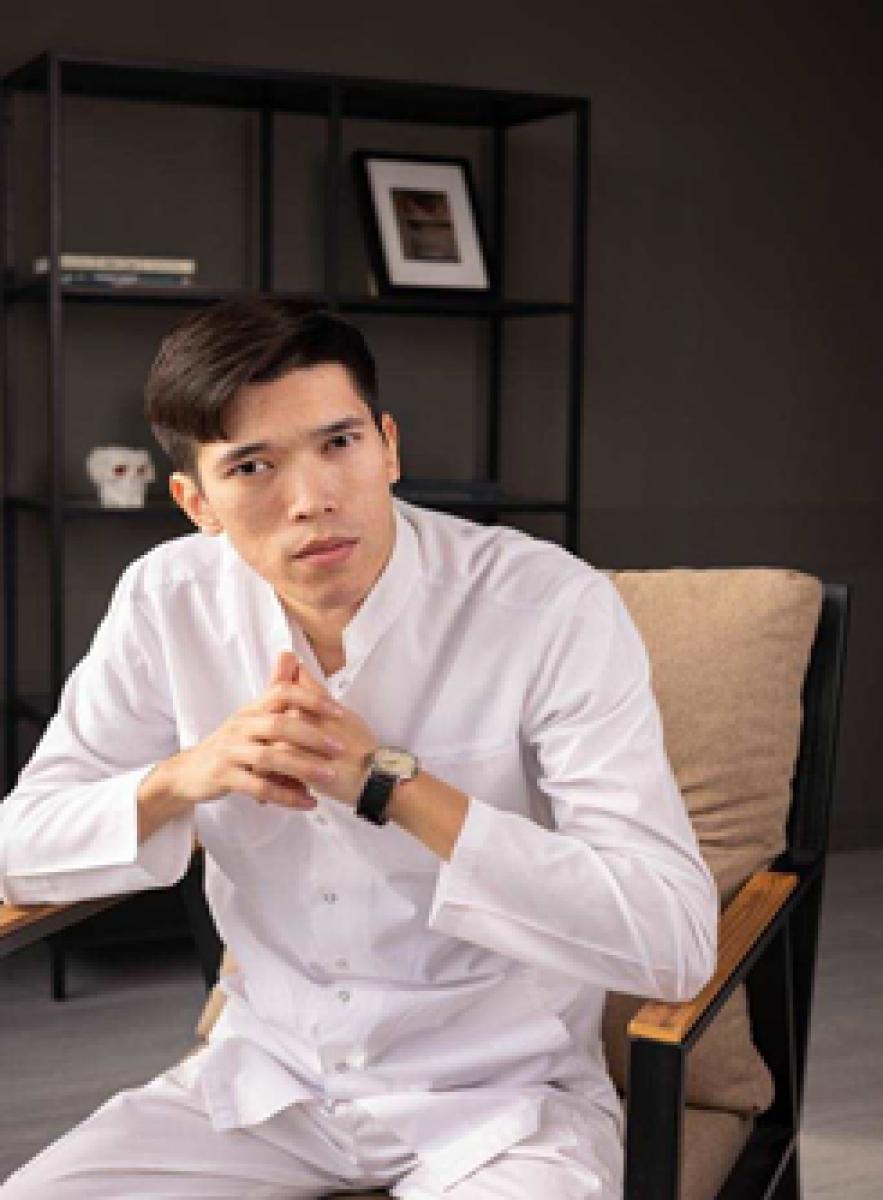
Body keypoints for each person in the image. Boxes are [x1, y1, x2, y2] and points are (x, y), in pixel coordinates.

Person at [0, 298, 718, 1199]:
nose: (313, 500)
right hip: (265, 1086)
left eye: (338, 443)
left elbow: (670, 939)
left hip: (505, 1101)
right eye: (252, 466)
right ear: (196, 503)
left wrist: (390, 786)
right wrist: (185, 776)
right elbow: (16, 847)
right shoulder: (165, 599)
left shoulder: (548, 607)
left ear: (388, 448)